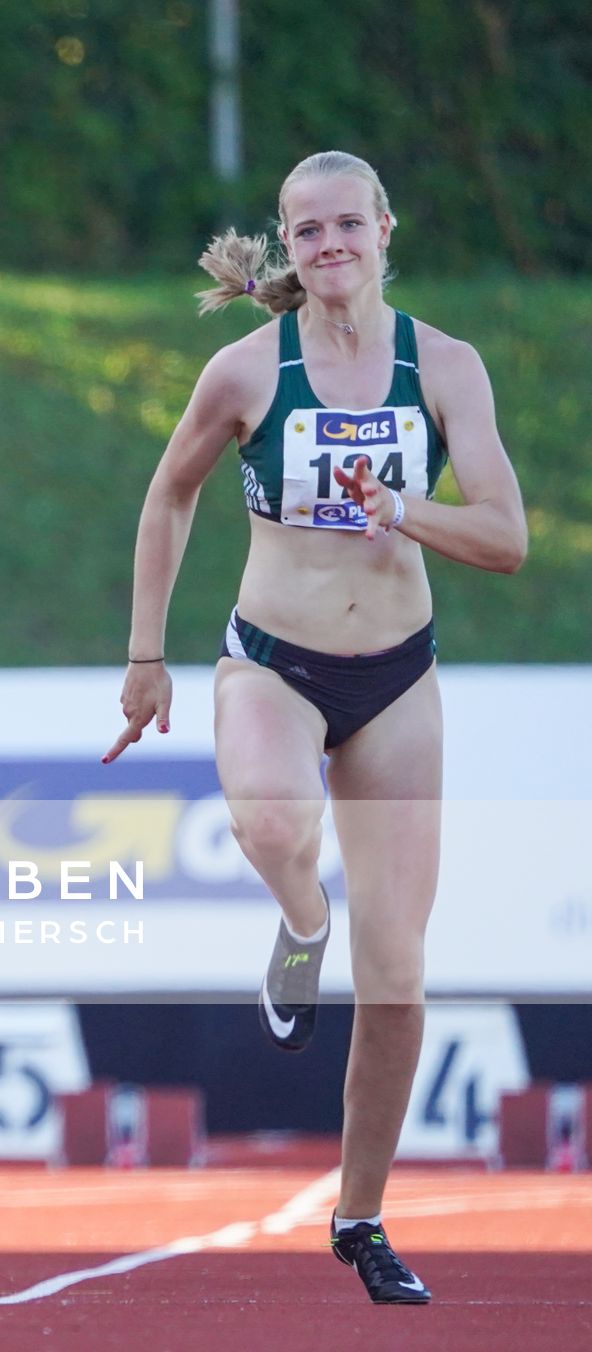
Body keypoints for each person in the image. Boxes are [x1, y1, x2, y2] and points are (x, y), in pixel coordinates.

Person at [108, 151, 526, 1303]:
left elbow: (505, 535)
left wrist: (408, 510)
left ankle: (360, 1213)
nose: (331, 244)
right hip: (274, 663)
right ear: (286, 247)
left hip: (396, 681)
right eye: (309, 229)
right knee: (277, 822)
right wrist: (146, 656)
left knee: (398, 976)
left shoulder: (443, 367)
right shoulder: (248, 371)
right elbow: (169, 494)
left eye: (351, 224)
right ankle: (301, 923)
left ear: (388, 229)